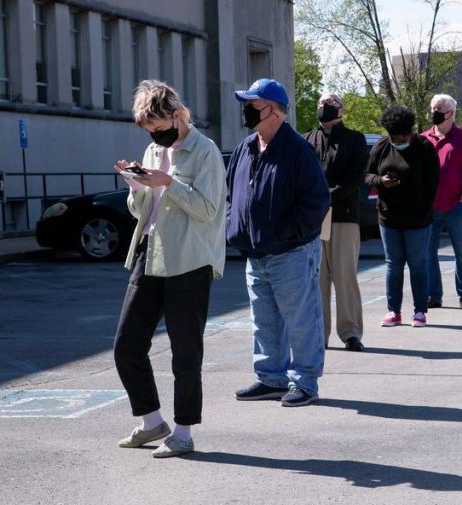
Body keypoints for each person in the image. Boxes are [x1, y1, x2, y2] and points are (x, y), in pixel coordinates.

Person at [113, 80, 227, 458]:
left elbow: (208, 209)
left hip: (189, 262)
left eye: (159, 129)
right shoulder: (150, 149)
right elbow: (140, 211)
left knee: (185, 353)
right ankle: (151, 422)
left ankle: (182, 432)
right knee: (127, 345)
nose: (156, 137)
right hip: (151, 253)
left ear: (177, 116)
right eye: (150, 131)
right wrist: (136, 186)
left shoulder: (205, 151)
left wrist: (168, 183)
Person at [227, 78, 330, 407]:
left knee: (301, 319)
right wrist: (235, 228)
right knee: (264, 320)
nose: (246, 111)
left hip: (291, 253)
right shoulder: (245, 148)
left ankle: (305, 382)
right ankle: (271, 378)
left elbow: (316, 203)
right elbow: (232, 195)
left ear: (272, 110)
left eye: (252, 105)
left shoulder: (298, 149)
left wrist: (286, 234)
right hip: (256, 254)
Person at [303, 92, 367, 352]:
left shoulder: (354, 139)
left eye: (328, 105)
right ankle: (320, 334)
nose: (322, 107)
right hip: (314, 219)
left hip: (343, 215)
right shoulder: (306, 140)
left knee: (345, 276)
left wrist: (328, 194)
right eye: (319, 103)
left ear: (341, 110)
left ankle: (351, 332)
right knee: (317, 280)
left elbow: (356, 177)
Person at [365, 105, 439, 328]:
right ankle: (393, 311)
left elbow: (432, 184)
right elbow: (367, 175)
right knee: (393, 265)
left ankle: (419, 312)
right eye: (393, 137)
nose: (397, 141)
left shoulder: (425, 147)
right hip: (389, 218)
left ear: (410, 132)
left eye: (401, 137)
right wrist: (381, 182)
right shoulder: (381, 147)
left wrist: (424, 211)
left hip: (418, 219)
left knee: (417, 265)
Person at [421, 94, 462, 310]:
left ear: (451, 113)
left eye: (439, 109)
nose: (434, 112)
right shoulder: (423, 138)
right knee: (428, 253)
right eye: (432, 108)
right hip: (429, 207)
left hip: (456, 206)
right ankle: (433, 296)